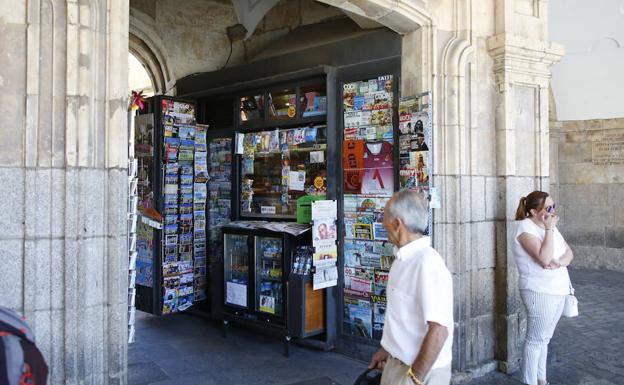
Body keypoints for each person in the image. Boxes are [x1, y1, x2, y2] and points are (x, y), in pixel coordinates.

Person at [369, 190, 453, 385]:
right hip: (398, 364)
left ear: (398, 224)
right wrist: (387, 349)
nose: (382, 223)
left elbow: (439, 330)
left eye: (385, 218)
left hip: (419, 372)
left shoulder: (427, 264)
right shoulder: (403, 258)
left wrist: (415, 378)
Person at [513, 191, 574, 385]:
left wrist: (560, 263)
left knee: (545, 339)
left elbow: (569, 253)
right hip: (539, 290)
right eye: (548, 208)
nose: (553, 211)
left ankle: (542, 380)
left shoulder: (551, 227)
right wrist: (548, 230)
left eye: (553, 206)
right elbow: (545, 258)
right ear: (533, 211)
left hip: (558, 289)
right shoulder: (525, 229)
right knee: (535, 340)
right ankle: (529, 381)